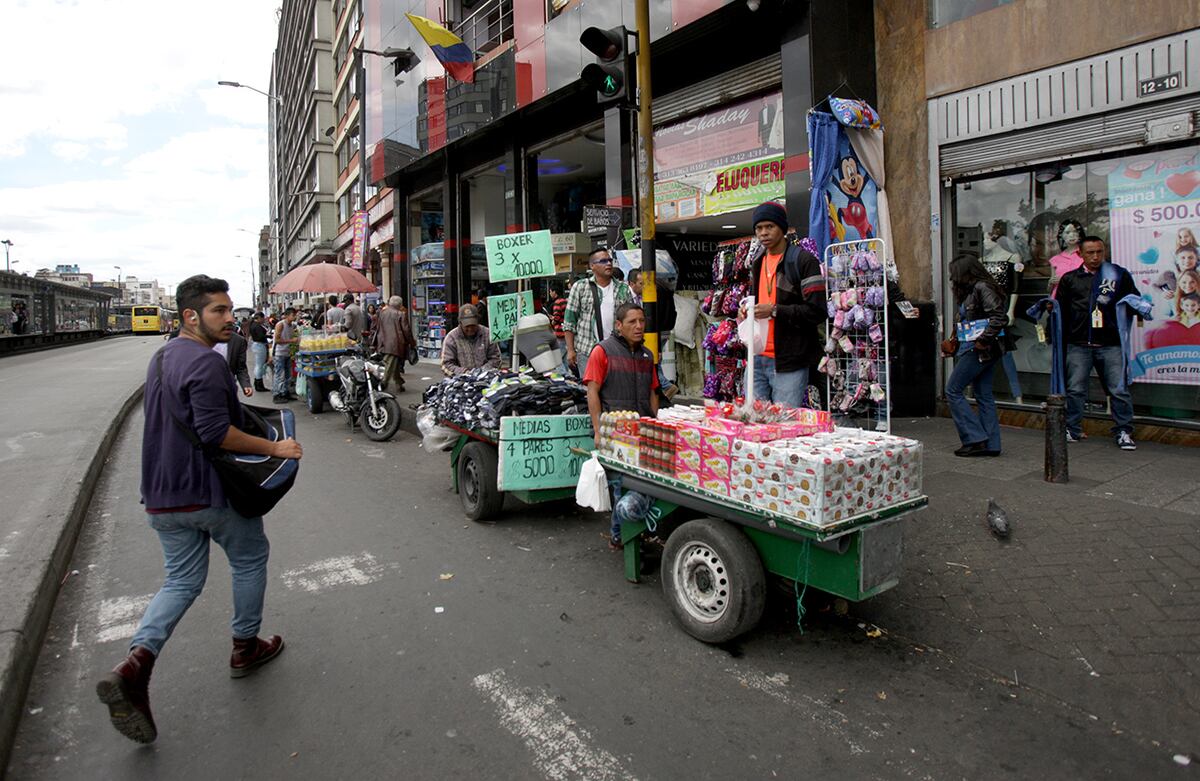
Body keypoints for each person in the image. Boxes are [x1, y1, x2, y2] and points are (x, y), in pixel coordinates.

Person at [96, 274, 301, 745]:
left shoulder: (163, 356)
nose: (231, 318)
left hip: (162, 496)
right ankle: (245, 647)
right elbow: (215, 433)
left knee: (181, 581)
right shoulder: (206, 364)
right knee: (250, 558)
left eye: (230, 310)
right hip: (209, 492)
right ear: (191, 316)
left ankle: (135, 664)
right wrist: (277, 450)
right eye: (219, 311)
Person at [1053, 236, 1140, 450]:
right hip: (1078, 343)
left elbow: (1135, 299)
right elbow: (1060, 310)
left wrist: (1138, 307)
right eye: (1090, 252)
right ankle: (1072, 429)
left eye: (1099, 252)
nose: (1095, 256)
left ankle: (1123, 431)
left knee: (1118, 390)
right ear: (1080, 254)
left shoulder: (1117, 275)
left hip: (1110, 343)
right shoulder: (1070, 278)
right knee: (1075, 390)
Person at [584, 303, 659, 548]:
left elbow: (652, 392)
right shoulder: (602, 351)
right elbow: (592, 391)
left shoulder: (647, 355)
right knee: (620, 487)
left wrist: (655, 424)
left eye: (641, 321)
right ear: (619, 325)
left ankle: (628, 534)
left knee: (643, 486)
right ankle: (621, 538)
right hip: (615, 434)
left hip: (644, 431)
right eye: (632, 322)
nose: (639, 327)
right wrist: (598, 430)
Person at [739, 201, 826, 408]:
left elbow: (817, 311)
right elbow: (758, 300)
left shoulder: (804, 261)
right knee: (753, 421)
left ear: (782, 228)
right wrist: (747, 311)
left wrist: (775, 310)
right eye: (759, 228)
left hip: (789, 360)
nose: (763, 233)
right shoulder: (758, 262)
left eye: (770, 227)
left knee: (784, 425)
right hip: (757, 356)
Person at [943, 253, 1009, 457]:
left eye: (954, 273)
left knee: (953, 390)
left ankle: (975, 438)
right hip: (983, 348)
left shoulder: (981, 287)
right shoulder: (976, 289)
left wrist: (982, 341)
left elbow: (999, 317)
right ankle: (991, 443)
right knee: (983, 394)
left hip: (978, 348)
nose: (952, 277)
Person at [563, 248, 634, 380]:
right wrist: (570, 350)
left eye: (610, 260)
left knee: (615, 391)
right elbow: (569, 321)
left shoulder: (623, 289)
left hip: (617, 351)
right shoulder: (580, 287)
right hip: (587, 351)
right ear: (592, 266)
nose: (608, 263)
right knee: (591, 392)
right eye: (603, 261)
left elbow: (630, 320)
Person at [441, 303, 500, 376]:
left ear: (478, 321)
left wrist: (482, 371)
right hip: (461, 381)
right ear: (460, 323)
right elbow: (446, 364)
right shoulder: (451, 338)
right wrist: (464, 373)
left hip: (486, 378)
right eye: (467, 326)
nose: (470, 329)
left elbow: (496, 358)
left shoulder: (487, 334)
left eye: (473, 325)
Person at [374, 295, 415, 392]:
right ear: (400, 304)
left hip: (384, 341)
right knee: (390, 364)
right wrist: (412, 342)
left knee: (393, 363)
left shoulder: (382, 313)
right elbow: (406, 330)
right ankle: (383, 383)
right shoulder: (401, 314)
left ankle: (399, 383)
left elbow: (378, 327)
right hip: (396, 343)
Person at [272, 308, 299, 403]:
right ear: (287, 315)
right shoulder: (280, 324)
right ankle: (276, 394)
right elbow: (277, 340)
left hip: (287, 353)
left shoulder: (292, 326)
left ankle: (285, 392)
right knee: (279, 375)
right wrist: (291, 341)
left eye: (295, 315)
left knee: (288, 375)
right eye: (293, 315)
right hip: (279, 353)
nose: (295, 317)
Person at [222, 327, 254, 397]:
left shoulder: (238, 341)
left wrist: (246, 384)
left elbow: (241, 367)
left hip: (227, 388)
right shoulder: (198, 337)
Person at [248, 312, 270, 393]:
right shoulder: (257, 326)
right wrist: (268, 335)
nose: (264, 319)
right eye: (263, 318)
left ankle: (257, 382)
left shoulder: (253, 324)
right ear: (259, 318)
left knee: (258, 365)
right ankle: (259, 384)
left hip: (257, 345)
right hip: (260, 345)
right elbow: (260, 336)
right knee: (259, 365)